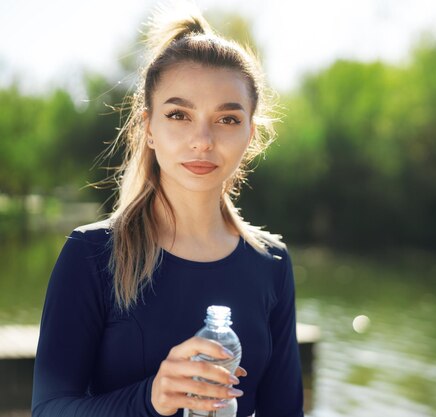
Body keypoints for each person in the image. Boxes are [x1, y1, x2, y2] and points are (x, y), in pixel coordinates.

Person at [31, 4, 304, 417]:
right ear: (149, 129)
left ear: (252, 132)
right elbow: (48, 409)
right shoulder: (91, 254)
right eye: (179, 114)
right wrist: (151, 397)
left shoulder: (272, 263)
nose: (202, 139)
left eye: (227, 119)